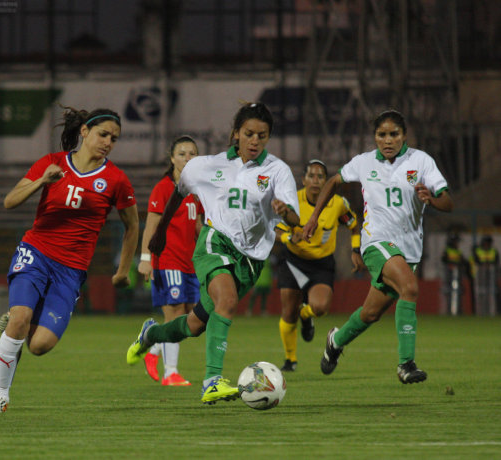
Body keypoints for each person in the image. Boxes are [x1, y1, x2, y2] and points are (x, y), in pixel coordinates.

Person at [126, 102, 300, 404]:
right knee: (228, 300)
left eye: (262, 135)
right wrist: (160, 233)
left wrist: (285, 212)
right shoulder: (206, 165)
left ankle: (150, 336)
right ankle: (212, 381)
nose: (255, 140)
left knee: (194, 325)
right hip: (214, 243)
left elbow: (295, 220)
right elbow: (178, 193)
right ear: (236, 134)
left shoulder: (278, 171)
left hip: (251, 260)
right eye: (249, 133)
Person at [0, 107, 139, 413]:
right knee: (20, 320)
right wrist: (42, 181)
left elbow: (133, 224)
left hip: (71, 270)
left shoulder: (116, 179)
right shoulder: (51, 163)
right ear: (84, 132)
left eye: (114, 138)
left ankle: (21, 321)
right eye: (103, 134)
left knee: (39, 346)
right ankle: (0, 396)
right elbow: (9, 201)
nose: (108, 142)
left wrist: (123, 270)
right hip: (36, 252)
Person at [303, 109, 453, 384]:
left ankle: (335, 341)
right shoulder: (363, 162)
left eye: (393, 134)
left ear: (404, 135)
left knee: (371, 313)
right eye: (381, 134)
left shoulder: (420, 161)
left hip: (408, 250)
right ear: (374, 137)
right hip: (376, 242)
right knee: (410, 288)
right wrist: (313, 217)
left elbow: (448, 201)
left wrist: (431, 199)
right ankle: (406, 364)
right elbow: (335, 181)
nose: (387, 140)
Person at [276, 159, 364, 372]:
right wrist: (289, 238)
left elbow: (353, 225)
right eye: (311, 176)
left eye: (320, 177)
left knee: (321, 308)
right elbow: (276, 230)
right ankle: (290, 360)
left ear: (326, 181)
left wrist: (355, 250)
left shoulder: (338, 204)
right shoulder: (292, 201)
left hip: (321, 265)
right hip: (293, 261)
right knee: (288, 312)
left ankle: (306, 317)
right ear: (304, 179)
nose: (316, 181)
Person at [135, 135, 204, 386]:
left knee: (191, 319)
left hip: (190, 263)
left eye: (192, 153)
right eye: (182, 153)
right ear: (172, 158)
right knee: (175, 316)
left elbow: (197, 225)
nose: (188, 158)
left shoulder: (197, 190)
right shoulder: (164, 188)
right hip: (167, 261)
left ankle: (152, 347)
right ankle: (171, 373)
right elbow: (150, 226)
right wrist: (145, 259)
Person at [470, 234, 499, 316]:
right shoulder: (477, 250)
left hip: (491, 277)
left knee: (491, 293)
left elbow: (496, 261)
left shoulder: (493, 251)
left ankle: (492, 311)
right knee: (480, 293)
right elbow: (475, 260)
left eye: (488, 243)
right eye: (486, 243)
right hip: (480, 277)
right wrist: (483, 265)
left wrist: (489, 265)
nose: (487, 245)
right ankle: (480, 312)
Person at [440, 232, 469, 315]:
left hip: (457, 275)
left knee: (458, 291)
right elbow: (444, 260)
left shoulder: (458, 252)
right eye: (456, 242)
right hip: (448, 275)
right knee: (448, 291)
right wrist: (451, 264)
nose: (457, 243)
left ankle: (458, 309)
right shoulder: (447, 250)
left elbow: (463, 261)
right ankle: (448, 309)